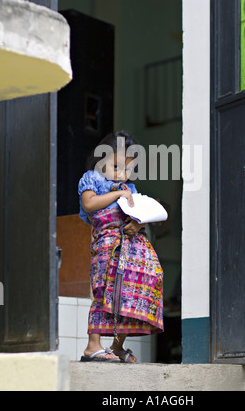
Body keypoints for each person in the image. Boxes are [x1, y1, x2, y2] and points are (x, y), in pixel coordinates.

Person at [78, 130, 164, 363]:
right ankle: (92, 347)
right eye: (116, 166)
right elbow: (89, 204)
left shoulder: (131, 190)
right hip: (105, 246)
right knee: (103, 290)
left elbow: (138, 212)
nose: (123, 174)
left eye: (128, 169)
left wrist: (137, 224)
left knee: (130, 292)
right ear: (100, 161)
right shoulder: (92, 179)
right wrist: (118, 193)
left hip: (130, 247)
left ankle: (117, 347)